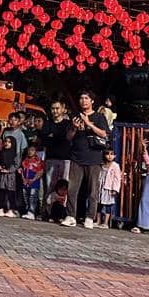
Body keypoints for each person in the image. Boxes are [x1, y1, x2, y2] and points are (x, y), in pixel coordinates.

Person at [62, 91, 108, 229]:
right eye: (81, 98)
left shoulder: (99, 117)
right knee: (72, 188)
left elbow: (104, 134)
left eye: (86, 98)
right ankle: (70, 216)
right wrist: (74, 128)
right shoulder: (75, 116)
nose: (83, 101)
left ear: (92, 101)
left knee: (92, 190)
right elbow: (68, 137)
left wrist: (89, 124)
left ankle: (90, 217)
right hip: (77, 156)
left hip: (93, 157)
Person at [42, 101, 73, 189]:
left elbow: (67, 139)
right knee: (50, 186)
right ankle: (51, 203)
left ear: (62, 109)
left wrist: (53, 136)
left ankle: (62, 203)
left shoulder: (68, 123)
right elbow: (45, 140)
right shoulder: (47, 123)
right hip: (51, 158)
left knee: (64, 186)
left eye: (57, 108)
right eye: (53, 108)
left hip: (65, 159)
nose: (55, 111)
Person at [0, 135, 20, 217]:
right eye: (5, 141)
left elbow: (16, 164)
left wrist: (9, 170)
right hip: (1, 175)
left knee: (10, 193)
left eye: (9, 142)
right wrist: (0, 167)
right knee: (1, 192)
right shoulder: (0, 152)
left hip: (10, 176)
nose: (6, 143)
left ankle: (11, 210)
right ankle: (0, 208)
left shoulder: (15, 154)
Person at [97, 148, 122, 228]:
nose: (110, 156)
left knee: (108, 205)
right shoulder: (101, 164)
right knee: (99, 204)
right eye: (108, 154)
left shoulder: (115, 166)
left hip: (108, 187)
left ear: (115, 156)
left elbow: (117, 178)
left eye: (112, 154)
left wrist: (115, 189)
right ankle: (98, 221)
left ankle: (105, 223)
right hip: (100, 186)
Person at [19, 145, 45, 220]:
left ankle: (32, 212)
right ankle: (27, 211)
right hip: (25, 182)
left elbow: (41, 171)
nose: (30, 152)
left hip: (34, 182)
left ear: (35, 152)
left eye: (32, 150)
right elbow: (22, 171)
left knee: (32, 197)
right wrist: (23, 179)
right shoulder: (25, 160)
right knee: (25, 197)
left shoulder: (38, 161)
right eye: (29, 150)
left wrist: (33, 179)